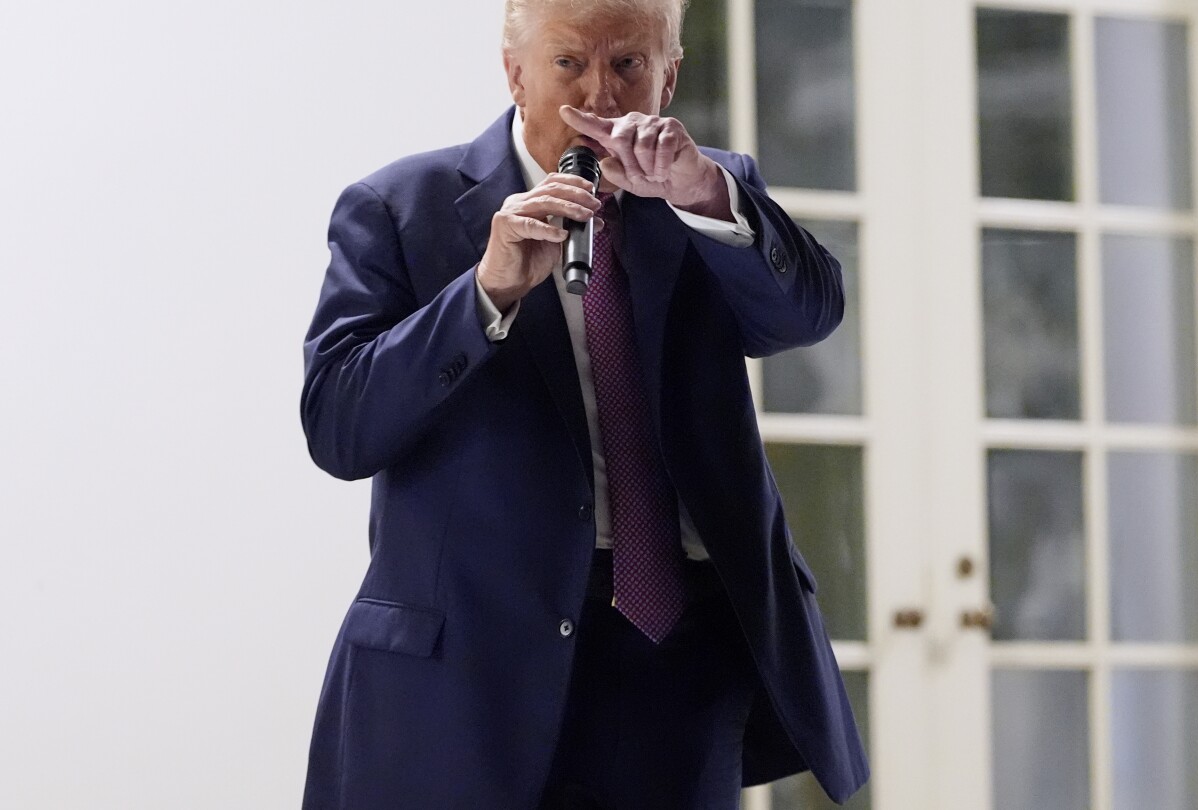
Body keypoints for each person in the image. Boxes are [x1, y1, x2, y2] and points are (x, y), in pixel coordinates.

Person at [299, 0, 868, 807]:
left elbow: (808, 317)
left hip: (677, 663)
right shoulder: (398, 207)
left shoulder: (713, 188)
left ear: (669, 77)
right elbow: (339, 427)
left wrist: (707, 198)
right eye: (569, 63)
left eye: (628, 65)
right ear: (515, 73)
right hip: (467, 679)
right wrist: (484, 294)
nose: (600, 94)